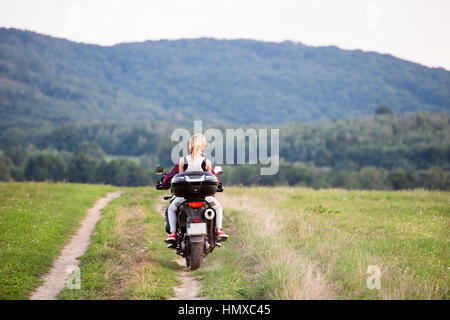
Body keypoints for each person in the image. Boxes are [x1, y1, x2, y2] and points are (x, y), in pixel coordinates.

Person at [165, 133, 228, 243]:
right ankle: (219, 230)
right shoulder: (206, 162)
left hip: (185, 197)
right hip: (204, 197)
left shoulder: (182, 161)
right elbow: (212, 180)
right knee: (218, 208)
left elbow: (180, 179)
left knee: (171, 208)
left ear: (190, 145)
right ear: (203, 146)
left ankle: (173, 233)